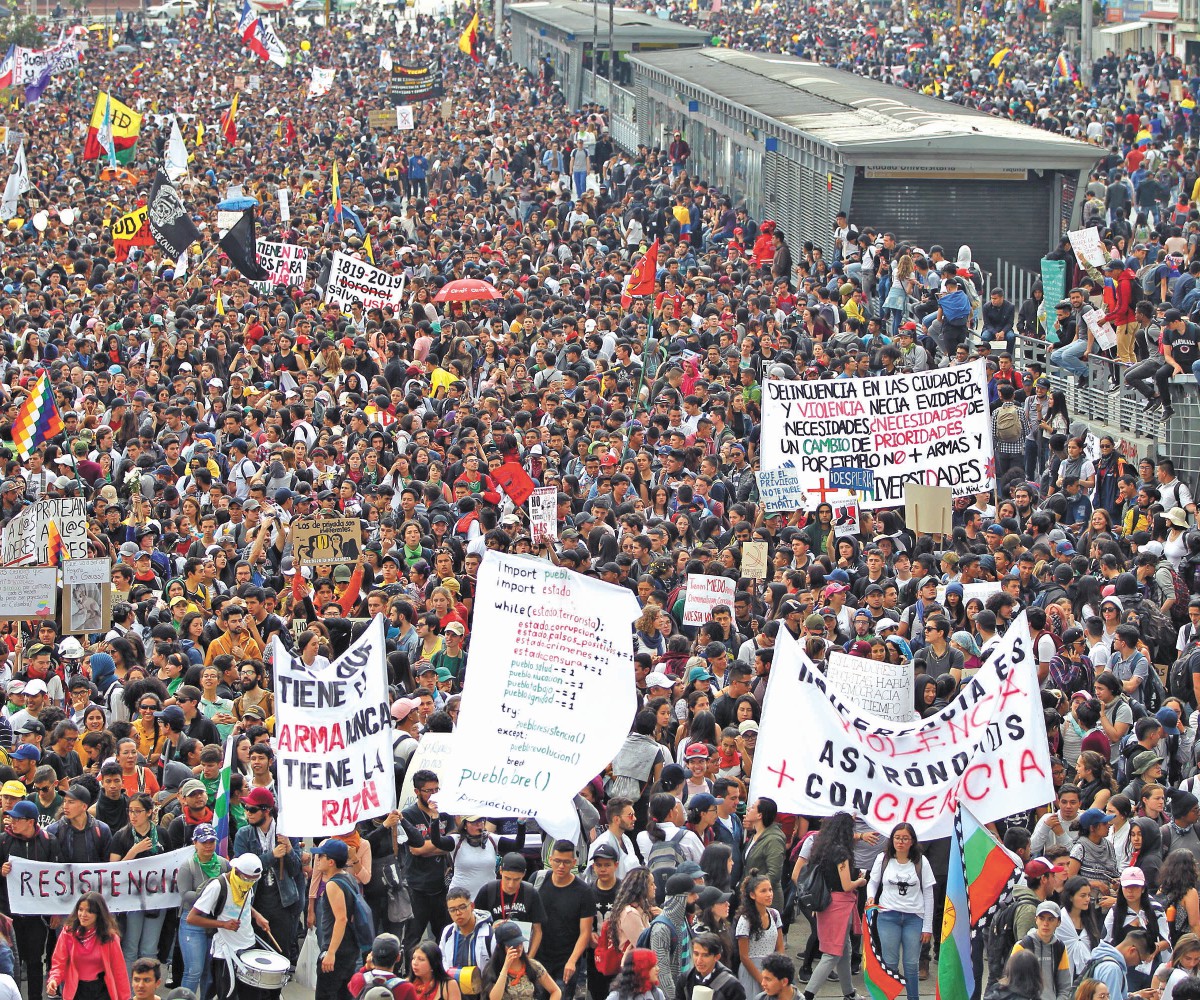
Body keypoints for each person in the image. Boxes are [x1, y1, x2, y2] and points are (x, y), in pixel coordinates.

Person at [186, 853, 274, 1000]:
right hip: (226, 952)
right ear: (237, 871)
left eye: (254, 880)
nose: (250, 882)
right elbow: (192, 918)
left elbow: (244, 906)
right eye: (247, 878)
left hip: (248, 948)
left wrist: (256, 915)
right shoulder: (217, 887)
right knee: (227, 996)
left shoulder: (247, 885)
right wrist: (223, 924)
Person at [232, 786, 304, 962]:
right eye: (246, 808)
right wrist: (271, 856)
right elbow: (243, 870)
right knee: (255, 955)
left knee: (281, 955)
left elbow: (296, 870)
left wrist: (288, 850)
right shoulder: (244, 834)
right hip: (255, 902)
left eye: (253, 809)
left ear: (267, 811)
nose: (248, 813)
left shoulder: (286, 833)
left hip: (283, 902)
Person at [866, 822, 936, 1000]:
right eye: (897, 838)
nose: (901, 842)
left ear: (912, 841)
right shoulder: (882, 859)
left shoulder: (921, 861)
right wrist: (871, 897)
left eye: (905, 838)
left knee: (911, 964)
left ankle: (913, 997)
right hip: (888, 916)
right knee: (890, 962)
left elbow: (928, 893)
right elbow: (872, 882)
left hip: (914, 918)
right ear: (892, 840)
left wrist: (927, 927)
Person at [801, 812, 865, 1000]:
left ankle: (849, 993)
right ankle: (808, 996)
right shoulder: (841, 853)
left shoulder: (822, 850)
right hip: (839, 906)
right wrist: (860, 881)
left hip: (826, 904)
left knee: (843, 950)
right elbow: (846, 886)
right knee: (831, 954)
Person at [176, 823, 229, 1000]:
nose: (208, 845)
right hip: (192, 921)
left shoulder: (223, 864)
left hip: (214, 922)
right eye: (204, 841)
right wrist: (207, 894)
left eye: (211, 841)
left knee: (209, 971)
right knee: (193, 970)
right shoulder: (187, 866)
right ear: (195, 843)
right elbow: (185, 894)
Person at [46, 892, 130, 1000]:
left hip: (102, 990)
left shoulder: (110, 936)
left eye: (89, 911)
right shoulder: (68, 932)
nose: (83, 914)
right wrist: (54, 979)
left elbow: (119, 971)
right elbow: (59, 962)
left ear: (99, 914)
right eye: (80, 909)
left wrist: (125, 997)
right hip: (76, 989)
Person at [312, 838, 365, 1000]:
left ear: (331, 862)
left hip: (337, 952)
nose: (318, 859)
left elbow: (341, 919)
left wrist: (331, 953)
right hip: (350, 948)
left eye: (321, 856)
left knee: (326, 994)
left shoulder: (333, 884)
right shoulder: (348, 878)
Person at [438, 888, 496, 1000]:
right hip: (455, 993)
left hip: (483, 994)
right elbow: (442, 959)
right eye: (452, 910)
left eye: (462, 907)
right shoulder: (448, 932)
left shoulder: (489, 934)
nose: (458, 913)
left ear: (472, 906)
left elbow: (497, 966)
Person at [481, 920, 561, 1000]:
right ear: (500, 946)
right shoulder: (493, 969)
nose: (519, 948)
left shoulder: (533, 966)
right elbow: (494, 998)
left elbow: (555, 990)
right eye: (513, 945)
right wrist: (505, 967)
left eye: (520, 944)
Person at [733, 871, 783, 996]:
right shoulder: (745, 919)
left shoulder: (775, 915)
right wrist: (762, 980)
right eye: (763, 891)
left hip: (772, 969)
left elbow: (780, 947)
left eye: (770, 890)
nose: (769, 894)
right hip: (751, 972)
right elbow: (744, 956)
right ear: (752, 895)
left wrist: (780, 971)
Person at [1011, 902, 1073, 1000]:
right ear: (1036, 920)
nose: (1046, 923)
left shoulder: (1060, 948)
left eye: (1051, 919)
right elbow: (1012, 983)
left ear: (1058, 922)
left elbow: (1065, 986)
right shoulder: (1022, 946)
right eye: (1042, 918)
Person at [675, 931, 745, 1000]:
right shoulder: (686, 979)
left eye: (705, 955)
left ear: (716, 957)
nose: (699, 960)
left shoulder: (731, 985)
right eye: (696, 954)